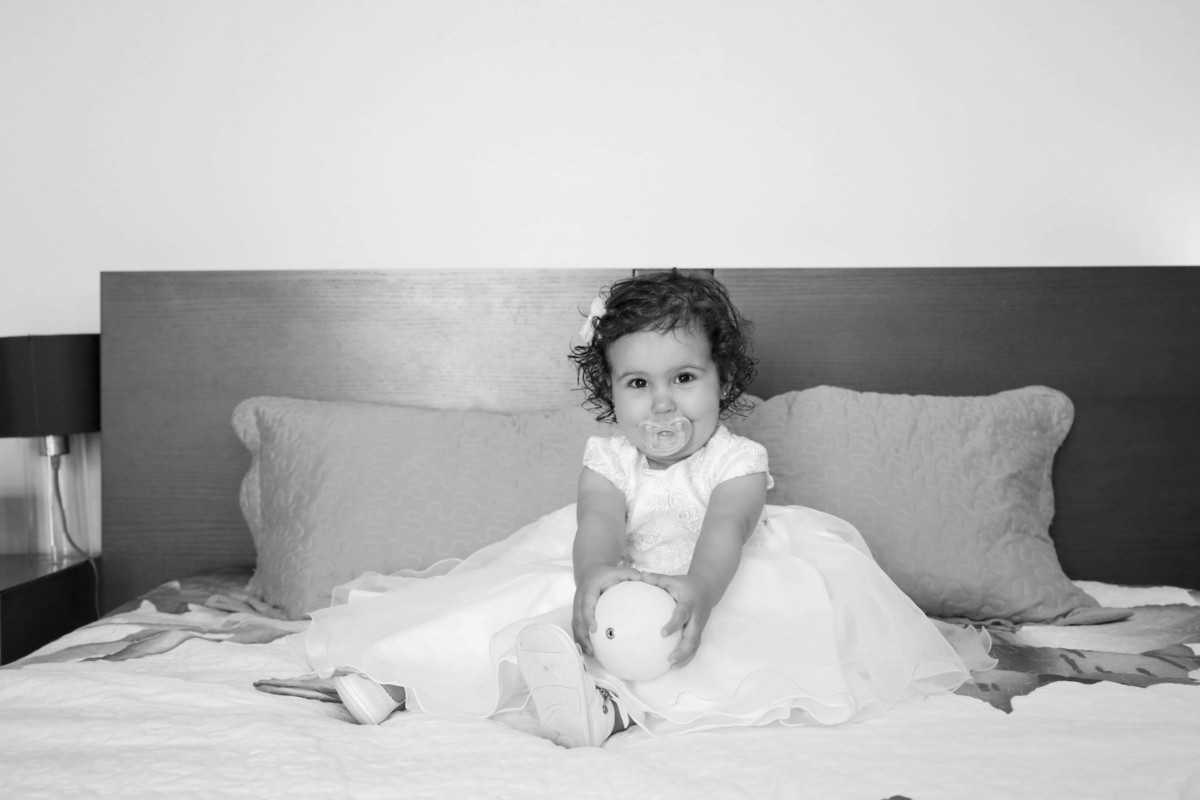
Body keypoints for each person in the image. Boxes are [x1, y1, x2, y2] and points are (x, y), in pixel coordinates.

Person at [303, 269, 991, 746]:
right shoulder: (609, 460)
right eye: (638, 383)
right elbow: (598, 523)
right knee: (534, 600)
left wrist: (699, 589)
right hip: (619, 571)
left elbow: (727, 530)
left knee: (716, 631)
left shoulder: (738, 461)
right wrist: (596, 576)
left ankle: (608, 709)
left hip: (710, 578)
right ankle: (402, 676)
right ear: (611, 392)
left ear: (723, 380)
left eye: (683, 378)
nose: (662, 403)